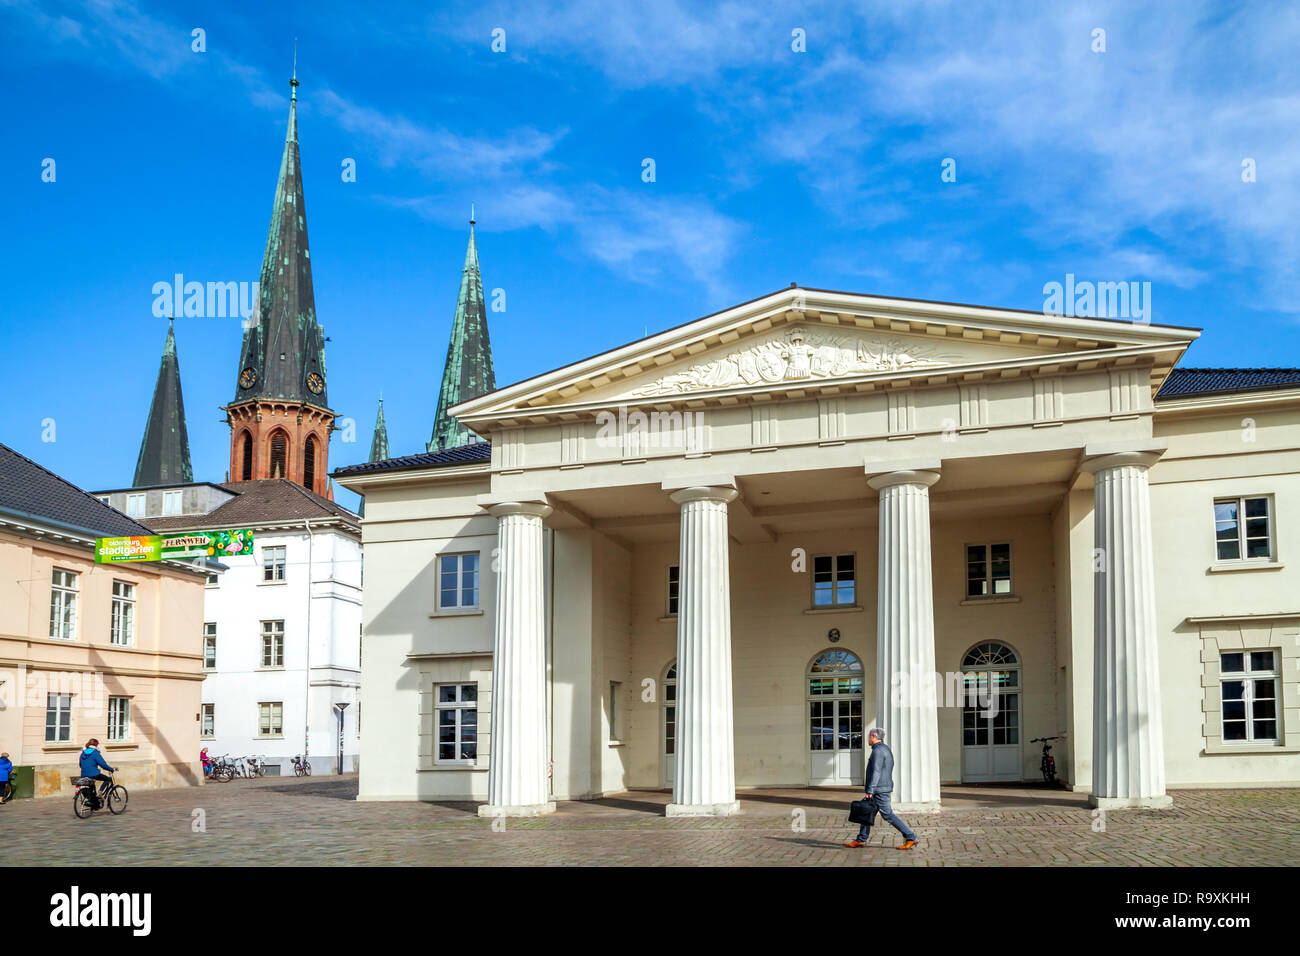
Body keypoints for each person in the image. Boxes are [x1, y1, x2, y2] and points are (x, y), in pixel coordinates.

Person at [844, 728, 917, 850]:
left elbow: (876, 772)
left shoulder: (878, 751)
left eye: (869, 737)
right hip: (881, 787)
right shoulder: (884, 748)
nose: (868, 739)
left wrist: (870, 790)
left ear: (873, 736)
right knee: (865, 811)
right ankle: (860, 839)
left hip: (879, 789)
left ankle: (911, 836)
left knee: (887, 815)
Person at [78, 739, 115, 807]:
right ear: (96, 745)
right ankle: (100, 792)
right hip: (94, 774)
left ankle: (94, 803)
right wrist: (111, 769)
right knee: (108, 779)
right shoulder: (95, 753)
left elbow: (80, 765)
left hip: (84, 775)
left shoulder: (83, 753)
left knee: (92, 787)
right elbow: (103, 765)